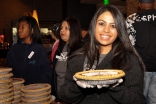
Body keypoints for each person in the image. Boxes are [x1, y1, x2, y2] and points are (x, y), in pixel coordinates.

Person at [59, 4, 146, 104]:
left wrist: (115, 87)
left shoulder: (129, 60)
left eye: (113, 26)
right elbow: (64, 95)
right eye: (101, 23)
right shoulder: (77, 58)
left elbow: (138, 101)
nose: (106, 30)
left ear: (119, 30)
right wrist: (77, 87)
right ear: (94, 25)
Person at [6, 16, 52, 85]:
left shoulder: (39, 49)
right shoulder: (14, 50)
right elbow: (8, 71)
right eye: (18, 28)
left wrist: (35, 87)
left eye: (23, 27)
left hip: (35, 92)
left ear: (32, 30)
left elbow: (46, 72)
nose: (19, 30)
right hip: (17, 91)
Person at [126, 0, 156, 103]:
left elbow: (129, 46)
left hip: (140, 68)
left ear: (139, 4)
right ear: (154, 2)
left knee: (138, 99)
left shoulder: (131, 19)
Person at [51, 17, 83, 102]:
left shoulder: (81, 50)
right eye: (61, 28)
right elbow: (55, 73)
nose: (62, 30)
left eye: (66, 28)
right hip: (59, 96)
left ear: (74, 30)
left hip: (73, 98)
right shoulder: (60, 48)